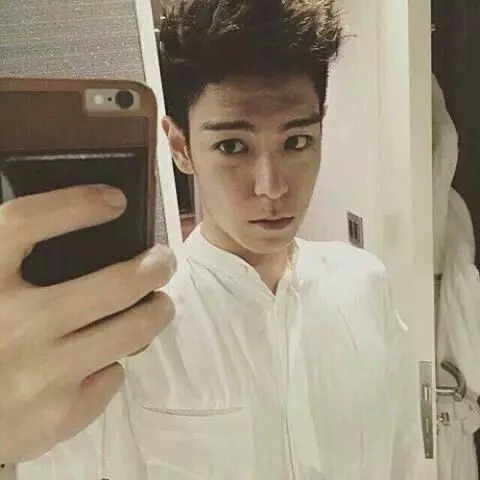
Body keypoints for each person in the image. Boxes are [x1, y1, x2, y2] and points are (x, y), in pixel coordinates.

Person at [3, 0, 423, 479]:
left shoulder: (366, 285)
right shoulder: (133, 331)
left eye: (296, 142)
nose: (271, 187)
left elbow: (405, 459)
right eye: (232, 146)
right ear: (180, 147)